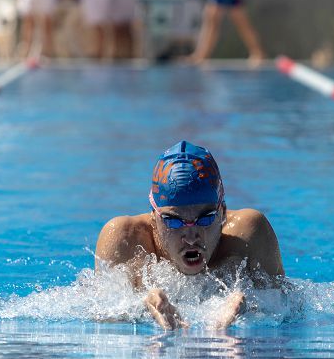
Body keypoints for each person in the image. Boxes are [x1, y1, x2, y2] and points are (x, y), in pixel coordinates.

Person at [95, 141, 284, 330]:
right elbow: (97, 313)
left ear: (222, 213)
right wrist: (140, 308)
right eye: (173, 221)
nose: (191, 237)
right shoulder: (124, 238)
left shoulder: (250, 234)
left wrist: (251, 306)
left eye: (205, 218)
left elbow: (291, 307)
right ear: (154, 217)